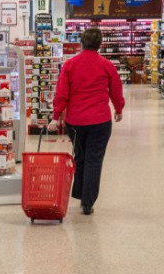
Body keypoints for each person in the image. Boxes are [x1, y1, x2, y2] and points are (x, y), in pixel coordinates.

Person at [50, 28, 125, 216]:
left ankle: (79, 192)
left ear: (81, 43)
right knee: (94, 159)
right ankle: (87, 202)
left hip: (75, 121)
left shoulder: (70, 64)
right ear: (100, 45)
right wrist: (119, 109)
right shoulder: (107, 65)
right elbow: (116, 90)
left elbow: (62, 93)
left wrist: (56, 116)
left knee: (80, 156)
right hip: (100, 120)